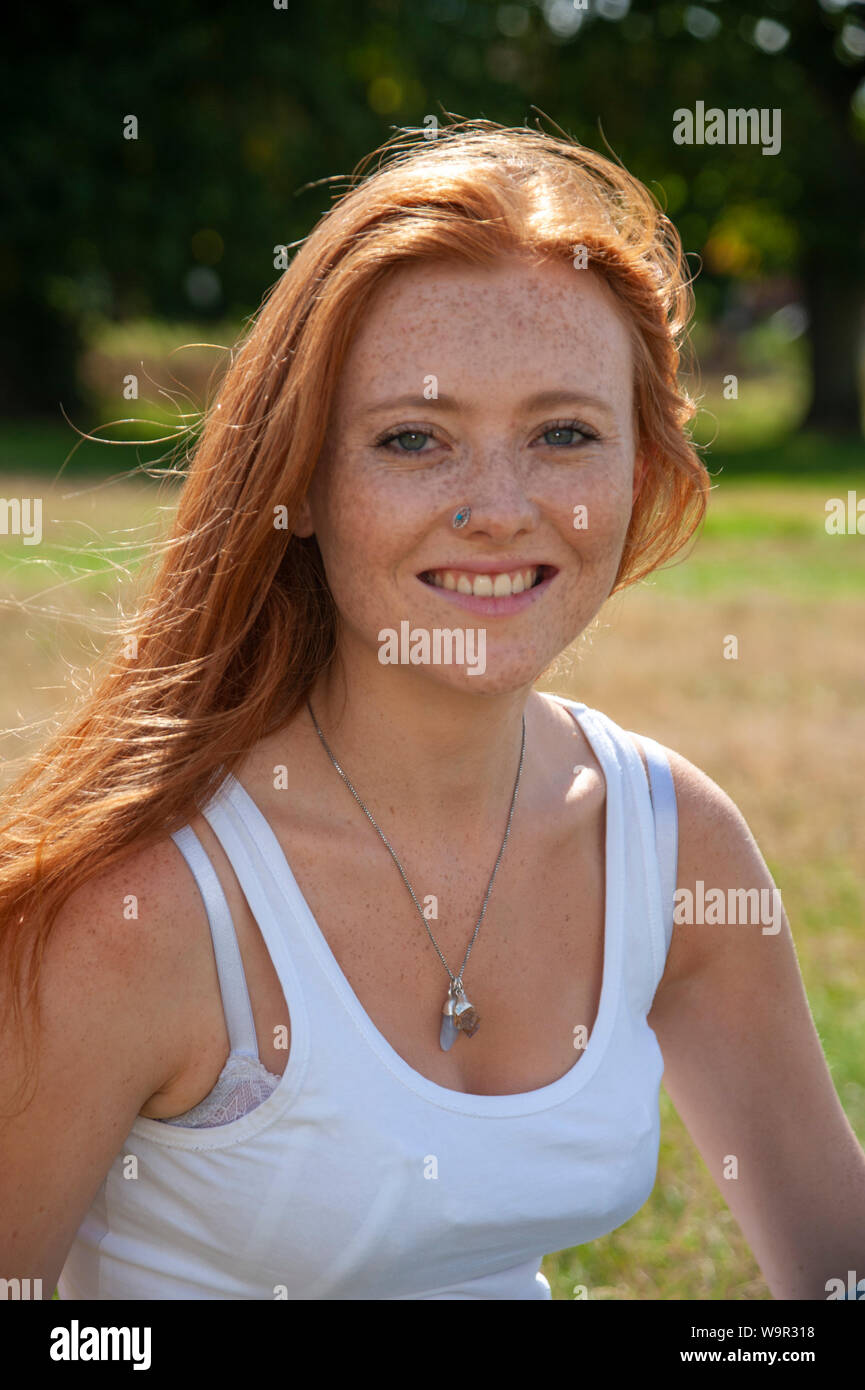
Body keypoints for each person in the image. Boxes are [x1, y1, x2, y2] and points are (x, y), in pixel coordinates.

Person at [1, 119, 863, 1302]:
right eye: (414, 438)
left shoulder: (673, 844)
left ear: (642, 471)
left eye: (564, 434)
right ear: (297, 483)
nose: (498, 508)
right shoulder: (139, 911)